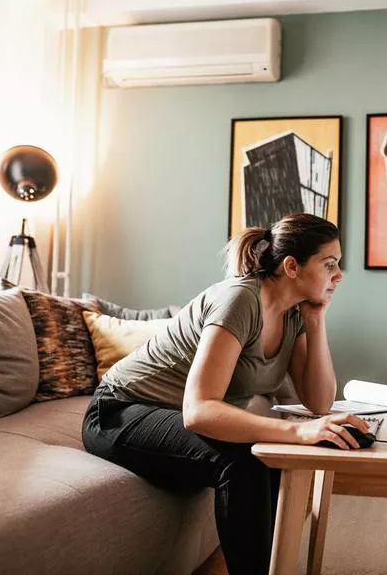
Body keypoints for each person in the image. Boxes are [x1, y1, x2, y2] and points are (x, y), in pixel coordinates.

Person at [81, 213, 368, 575]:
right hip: (119, 411)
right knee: (246, 460)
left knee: (275, 454)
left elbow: (319, 402)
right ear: (292, 266)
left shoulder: (293, 314)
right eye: (330, 265)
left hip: (170, 416)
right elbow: (198, 411)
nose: (338, 276)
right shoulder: (240, 300)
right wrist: (297, 431)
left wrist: (316, 321)